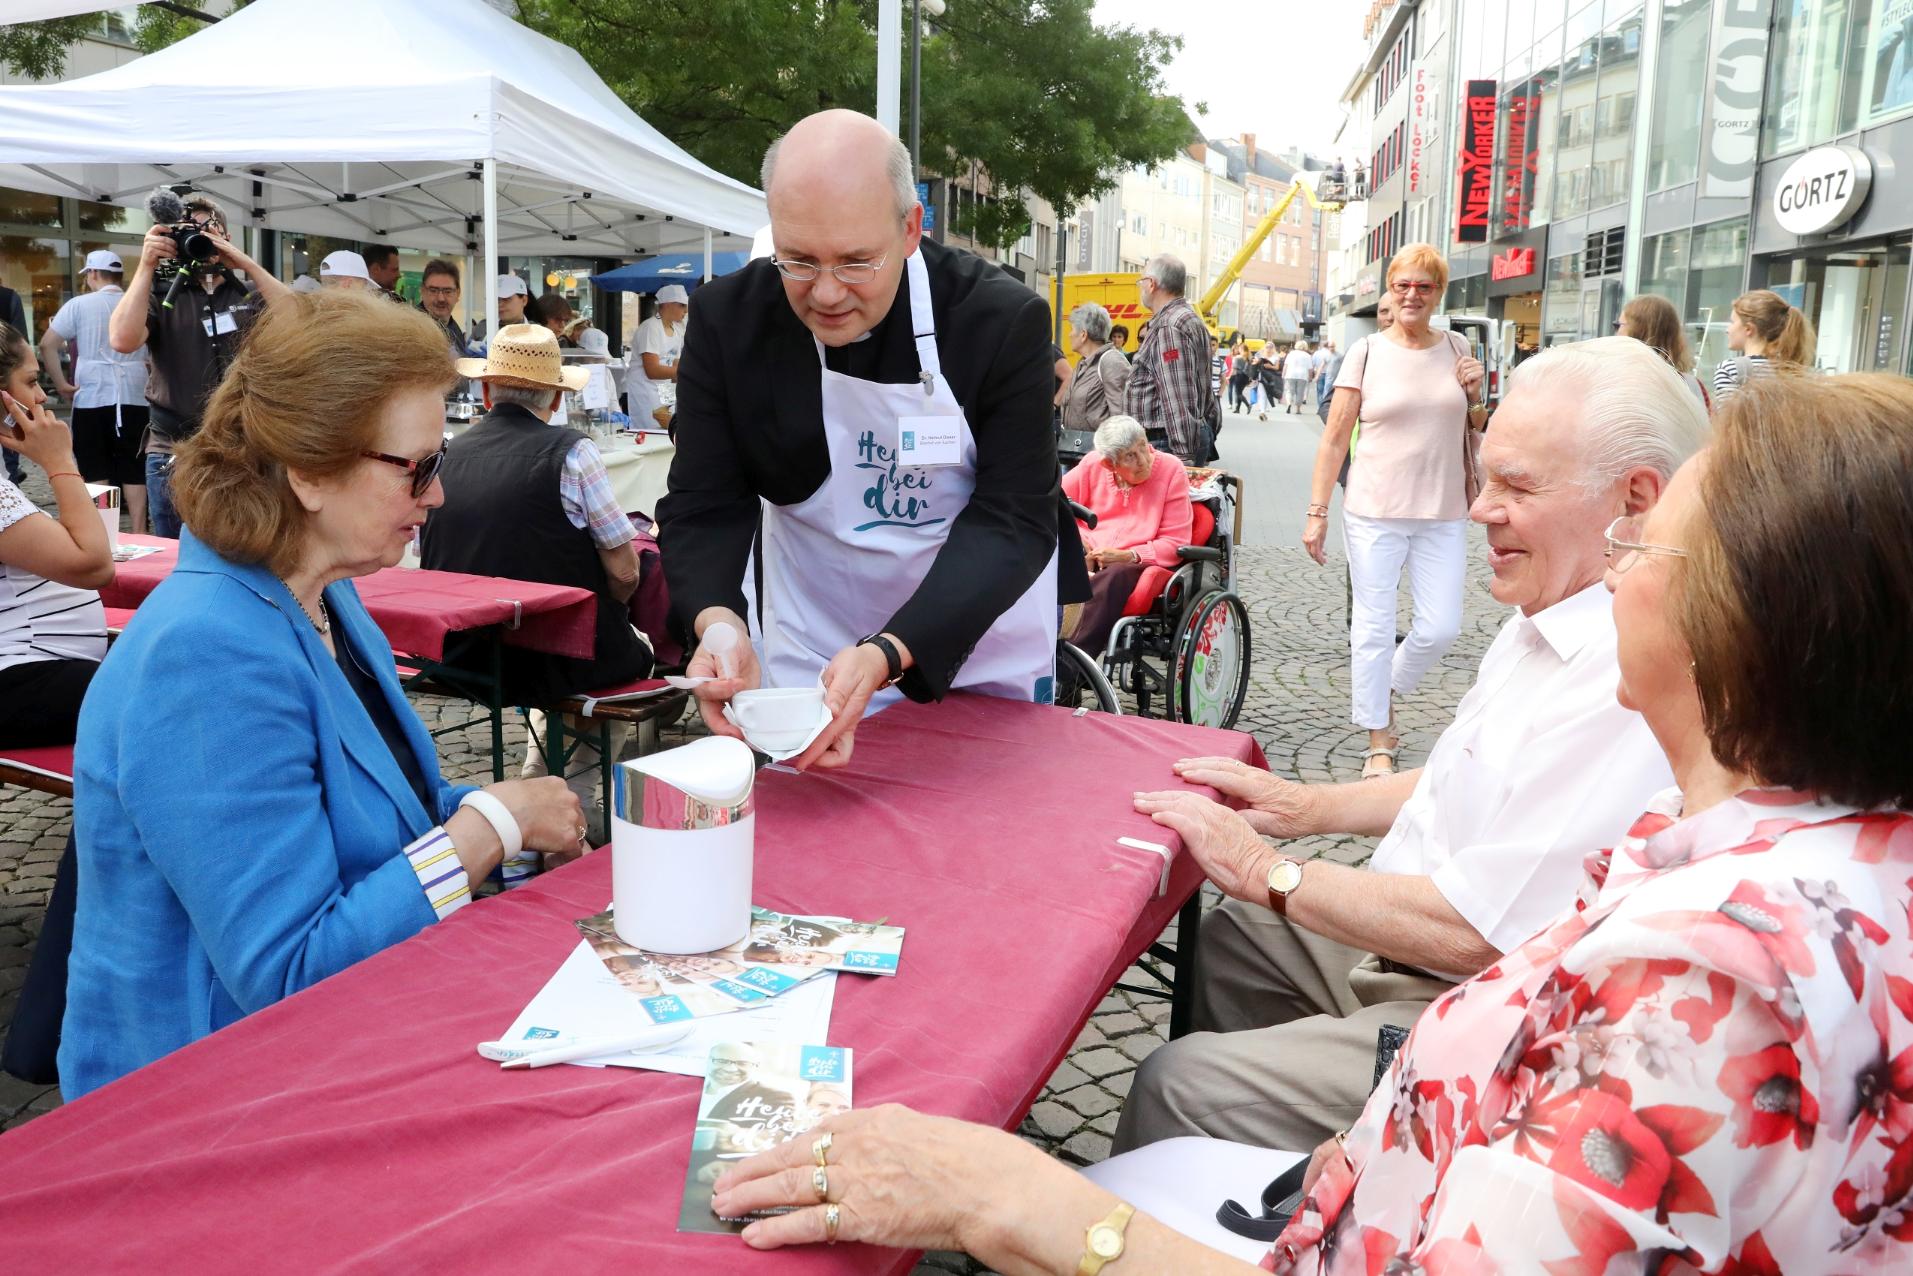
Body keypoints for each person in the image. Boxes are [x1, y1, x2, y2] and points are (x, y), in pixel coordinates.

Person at [703, 371, 1913, 1276]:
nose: (1617, 573)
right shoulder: (1797, 847)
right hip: (1375, 1167)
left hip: (1352, 1201)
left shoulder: (1707, 984)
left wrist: (1012, 1198)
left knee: (1159, 1079)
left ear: (1750, 622)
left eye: (1647, 546)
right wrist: (1296, 818)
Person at [1115, 336, 1704, 1153]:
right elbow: (1470, 767)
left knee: (1180, 1087)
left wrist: (1266, 870)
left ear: (1634, 497)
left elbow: (1478, 931)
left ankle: (1303, 1191)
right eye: (1484, 472)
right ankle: (1289, 1187)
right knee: (1233, 942)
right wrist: (1306, 805)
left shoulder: (1627, 664)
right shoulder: (1553, 608)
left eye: (1514, 485)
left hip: (1478, 1004)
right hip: (1418, 947)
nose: (1475, 508)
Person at [61, 293, 584, 1101]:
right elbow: (287, 972)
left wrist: (510, 821)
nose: (436, 495)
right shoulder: (207, 653)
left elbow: (393, 809)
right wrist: (492, 827)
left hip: (318, 1059)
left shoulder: (319, 594)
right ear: (307, 471)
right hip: (198, 1105)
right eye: (419, 467)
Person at [656, 109, 1082, 771]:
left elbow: (1012, 518)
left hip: (972, 639)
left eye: (856, 262)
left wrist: (891, 649)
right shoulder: (727, 321)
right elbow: (704, 502)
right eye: (797, 260)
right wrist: (717, 623)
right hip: (816, 647)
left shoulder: (997, 320)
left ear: (910, 227)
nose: (825, 294)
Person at [420, 323, 651, 829]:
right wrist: (617, 606)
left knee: (564, 649)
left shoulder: (445, 456)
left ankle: (536, 779)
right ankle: (581, 799)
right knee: (634, 654)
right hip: (550, 658)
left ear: (485, 391)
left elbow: (427, 558)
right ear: (553, 398)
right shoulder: (573, 451)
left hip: (466, 655)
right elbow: (624, 567)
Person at [1305, 244, 1484, 779]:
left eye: (1423, 287)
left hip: (1443, 508)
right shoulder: (1366, 353)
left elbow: (1477, 430)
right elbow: (1335, 438)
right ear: (1390, 288)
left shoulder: (1458, 347)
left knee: (1441, 627)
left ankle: (1382, 686)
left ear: (1438, 293)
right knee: (1374, 628)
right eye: (1403, 284)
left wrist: (1476, 396)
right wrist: (1316, 511)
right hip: (1374, 509)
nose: (1411, 294)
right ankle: (1377, 737)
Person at [107, 190, 289, 537]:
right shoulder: (160, 292)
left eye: (208, 231)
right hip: (173, 448)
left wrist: (247, 264)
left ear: (227, 238)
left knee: (246, 547)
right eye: (188, 232)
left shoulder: (248, 291)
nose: (198, 240)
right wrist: (145, 267)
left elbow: (301, 320)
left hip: (244, 449)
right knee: (174, 557)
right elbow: (122, 339)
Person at [0, 324, 114, 748]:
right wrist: (60, 461)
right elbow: (93, 564)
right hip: (19, 672)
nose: (42, 396)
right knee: (168, 693)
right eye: (31, 382)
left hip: (35, 665)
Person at [1060, 415, 1194, 655]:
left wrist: (1128, 555)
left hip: (1139, 563)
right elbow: (1056, 502)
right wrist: (1081, 543)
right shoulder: (1092, 465)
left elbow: (1175, 542)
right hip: (1091, 554)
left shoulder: (1171, 469)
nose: (1144, 460)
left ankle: (1071, 666)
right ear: (1109, 465)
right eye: (1130, 456)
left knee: (1114, 576)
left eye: (1143, 446)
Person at [41, 250, 149, 533]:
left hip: (92, 394)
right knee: (134, 464)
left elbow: (47, 344)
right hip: (135, 393)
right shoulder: (140, 303)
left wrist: (61, 383)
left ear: (93, 274)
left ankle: (107, 531)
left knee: (95, 464)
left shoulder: (79, 305)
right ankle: (139, 531)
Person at [1124, 254, 1215, 465]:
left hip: (1167, 444)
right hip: (1174, 440)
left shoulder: (1169, 326)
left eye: (1142, 282)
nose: (1141, 288)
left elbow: (1178, 397)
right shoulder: (1187, 318)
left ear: (1152, 284)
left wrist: (1183, 459)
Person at [1713, 287, 1815, 402]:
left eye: (1732, 322)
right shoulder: (1796, 372)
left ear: (1748, 329)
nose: (1728, 329)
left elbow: (1725, 418)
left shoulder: (1731, 369)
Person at [1618, 293, 1708, 410]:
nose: (1617, 332)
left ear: (1638, 333)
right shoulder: (1694, 386)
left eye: (1619, 325)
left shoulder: (1620, 385)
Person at [1059, 302, 1130, 432]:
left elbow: (1122, 419)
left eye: (1072, 329)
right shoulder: (1083, 364)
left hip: (1097, 449)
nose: (1069, 334)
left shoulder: (1111, 361)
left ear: (1083, 335)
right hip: (1075, 448)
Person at [630, 283, 687, 431]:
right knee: (651, 434)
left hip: (664, 389)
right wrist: (687, 372)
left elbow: (676, 363)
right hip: (645, 390)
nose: (685, 310)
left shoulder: (678, 329)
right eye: (681, 305)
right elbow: (652, 370)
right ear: (668, 305)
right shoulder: (650, 328)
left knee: (670, 431)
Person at [416, 258, 471, 359]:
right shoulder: (410, 328)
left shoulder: (455, 329)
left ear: (458, 293)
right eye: (433, 290)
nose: (441, 298)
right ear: (422, 291)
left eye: (448, 291)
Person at [1282, 340, 1314, 414]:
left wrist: (1283, 374)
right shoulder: (1307, 355)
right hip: (1302, 376)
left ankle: (1289, 403)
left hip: (1290, 374)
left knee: (1289, 391)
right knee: (1300, 393)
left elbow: (1286, 365)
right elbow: (1310, 369)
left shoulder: (1291, 354)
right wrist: (1310, 377)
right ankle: (1298, 409)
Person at [1226, 335, 1251, 413]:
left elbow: (1234, 369)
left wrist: (1229, 376)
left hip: (1239, 376)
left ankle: (1248, 405)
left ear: (1241, 349)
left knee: (1238, 393)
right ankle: (1237, 409)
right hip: (1246, 377)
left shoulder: (1236, 358)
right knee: (1240, 392)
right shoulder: (1248, 357)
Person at [1311, 339, 1334, 405]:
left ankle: (1320, 407)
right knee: (1327, 392)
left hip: (1320, 374)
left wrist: (1313, 375)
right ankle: (1325, 406)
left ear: (1321, 345)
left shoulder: (1317, 353)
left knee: (1320, 392)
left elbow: (1313, 364)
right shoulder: (1331, 353)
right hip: (1330, 374)